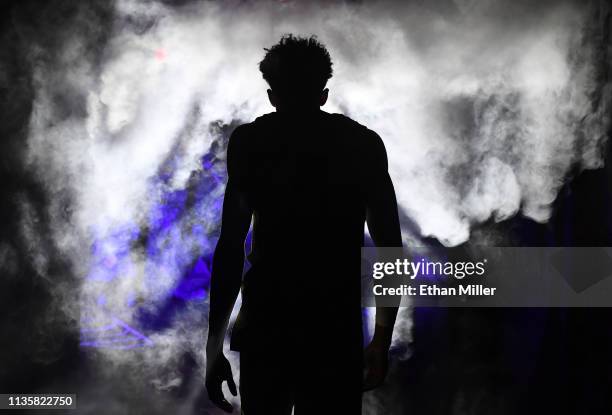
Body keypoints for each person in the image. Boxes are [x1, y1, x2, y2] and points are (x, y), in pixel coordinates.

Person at [205, 34, 402, 414]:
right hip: (332, 333)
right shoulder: (361, 146)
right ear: (323, 94)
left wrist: (213, 346)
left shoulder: (250, 144)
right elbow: (390, 250)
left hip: (268, 328)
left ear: (272, 96)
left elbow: (230, 248)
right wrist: (381, 339)